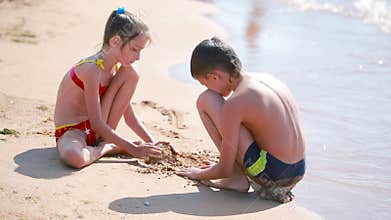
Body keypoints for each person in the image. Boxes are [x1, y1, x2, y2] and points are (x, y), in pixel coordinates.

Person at [177, 37, 306, 203]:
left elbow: (223, 169)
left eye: (204, 83)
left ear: (214, 77)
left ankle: (236, 178)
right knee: (243, 119)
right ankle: (241, 173)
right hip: (298, 171)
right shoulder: (267, 79)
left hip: (273, 176)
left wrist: (199, 173)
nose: (207, 88)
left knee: (206, 100)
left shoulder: (236, 102)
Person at [54, 7, 164, 169]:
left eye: (140, 51)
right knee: (74, 157)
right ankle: (106, 147)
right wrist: (133, 149)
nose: (138, 57)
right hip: (74, 131)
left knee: (132, 72)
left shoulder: (117, 69)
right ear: (115, 41)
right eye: (134, 49)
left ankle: (104, 144)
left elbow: (129, 116)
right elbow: (97, 123)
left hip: (100, 132)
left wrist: (153, 143)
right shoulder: (91, 69)